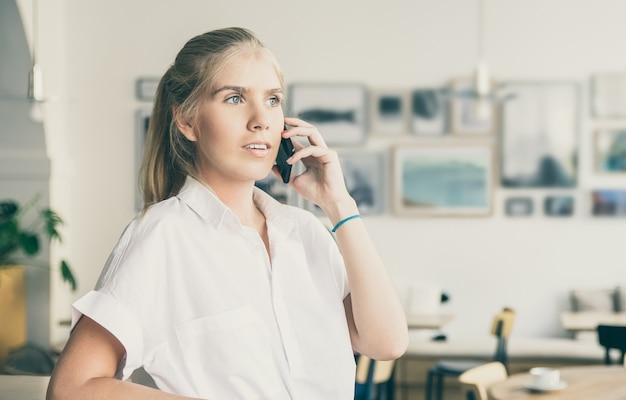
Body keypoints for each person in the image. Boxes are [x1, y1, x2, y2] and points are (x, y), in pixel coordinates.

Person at [46, 27, 408, 400]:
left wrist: (339, 205)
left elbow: (387, 343)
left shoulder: (305, 232)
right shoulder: (162, 236)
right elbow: (73, 388)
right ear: (186, 121)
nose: (261, 119)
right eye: (234, 98)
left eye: (272, 99)